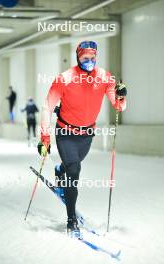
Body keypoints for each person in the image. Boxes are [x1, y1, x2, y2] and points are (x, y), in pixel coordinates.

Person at [37, 41, 127, 236]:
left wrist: (121, 96)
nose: (89, 61)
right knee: (75, 170)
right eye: (85, 58)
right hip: (65, 133)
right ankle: (71, 220)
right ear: (78, 57)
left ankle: (60, 170)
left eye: (93, 58)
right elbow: (47, 107)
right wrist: (44, 137)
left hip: (86, 136)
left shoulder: (104, 77)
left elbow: (118, 106)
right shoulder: (65, 78)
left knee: (71, 167)